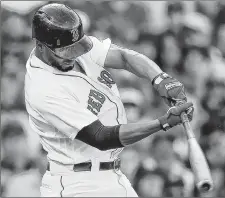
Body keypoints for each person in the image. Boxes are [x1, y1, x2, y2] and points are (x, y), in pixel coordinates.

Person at [25, 3, 194, 197]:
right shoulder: (43, 88)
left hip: (111, 174)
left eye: (75, 47)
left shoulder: (70, 45)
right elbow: (102, 137)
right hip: (76, 184)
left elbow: (123, 57)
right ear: (40, 45)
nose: (73, 56)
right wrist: (162, 123)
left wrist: (161, 79)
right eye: (65, 51)